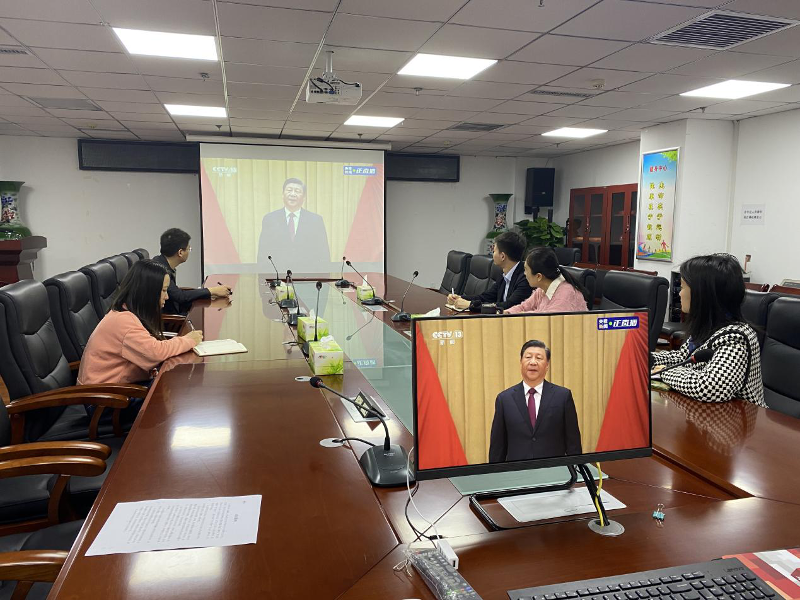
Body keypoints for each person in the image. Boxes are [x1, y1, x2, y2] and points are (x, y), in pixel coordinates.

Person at [78, 260, 204, 417]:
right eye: (163, 291)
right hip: (104, 401)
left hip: (113, 391)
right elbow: (155, 353)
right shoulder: (123, 322)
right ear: (148, 292)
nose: (166, 297)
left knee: (174, 390)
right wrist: (188, 340)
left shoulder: (127, 312)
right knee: (170, 401)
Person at [651, 254, 766, 406]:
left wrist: (664, 371)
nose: (679, 293)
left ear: (702, 294)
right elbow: (682, 358)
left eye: (683, 287)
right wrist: (645, 359)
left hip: (739, 416)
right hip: (707, 413)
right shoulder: (708, 326)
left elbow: (711, 387)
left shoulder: (736, 337)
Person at [489, 340, 582, 462]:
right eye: (528, 357)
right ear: (521, 362)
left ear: (547, 365)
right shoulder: (504, 399)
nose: (533, 362)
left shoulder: (563, 396)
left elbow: (573, 443)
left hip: (554, 470)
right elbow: (497, 446)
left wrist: (576, 468)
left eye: (539, 358)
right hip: (517, 470)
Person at [257, 177, 331, 273]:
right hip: (277, 276)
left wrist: (323, 277)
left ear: (303, 197)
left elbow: (323, 253)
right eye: (289, 190)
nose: (293, 194)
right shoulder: (270, 219)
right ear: (283, 194)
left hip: (308, 276)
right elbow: (263, 252)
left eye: (297, 191)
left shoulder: (316, 220)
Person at [447, 231, 532, 312]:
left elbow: (508, 306)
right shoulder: (504, 274)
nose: (492, 254)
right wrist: (459, 298)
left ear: (502, 256)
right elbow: (486, 297)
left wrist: (470, 305)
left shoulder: (525, 278)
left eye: (494, 251)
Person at [153, 228, 230, 315]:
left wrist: (208, 293)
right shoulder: (159, 270)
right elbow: (179, 296)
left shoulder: (160, 262)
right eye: (188, 249)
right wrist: (212, 291)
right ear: (180, 252)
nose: (189, 252)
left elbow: (175, 293)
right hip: (171, 319)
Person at [504, 247, 591, 314]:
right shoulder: (542, 289)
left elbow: (549, 320)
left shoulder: (566, 294)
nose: (524, 273)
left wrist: (522, 314)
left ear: (539, 276)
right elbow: (523, 307)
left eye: (526, 270)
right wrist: (507, 313)